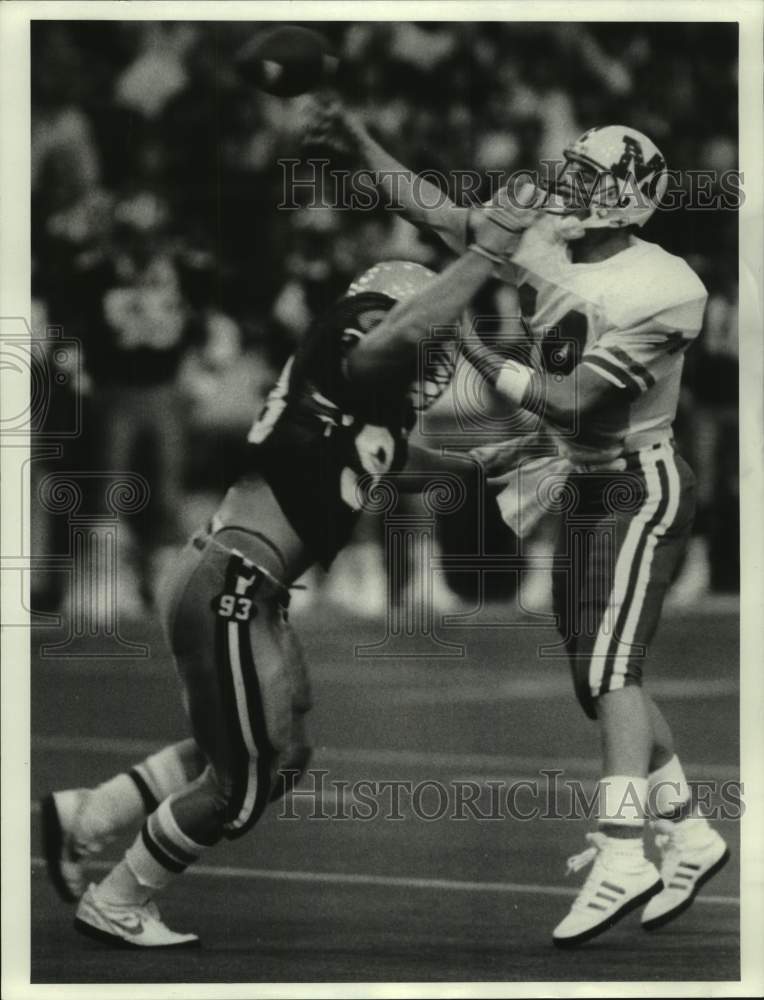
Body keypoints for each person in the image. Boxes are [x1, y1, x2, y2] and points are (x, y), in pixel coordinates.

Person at [41, 187, 539, 948]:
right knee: (242, 786)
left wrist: (494, 457)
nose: (436, 354)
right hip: (232, 583)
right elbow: (396, 337)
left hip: (243, 585)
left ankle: (91, 814)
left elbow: (388, 456)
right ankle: (118, 898)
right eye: (428, 335)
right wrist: (485, 251)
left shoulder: (362, 396)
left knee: (283, 751)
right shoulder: (356, 345)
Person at [310, 107, 730, 946]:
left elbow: (574, 398)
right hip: (579, 480)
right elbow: (432, 209)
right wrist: (361, 146)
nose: (566, 189)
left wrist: (468, 345)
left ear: (626, 200)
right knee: (594, 676)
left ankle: (622, 851)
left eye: (586, 180)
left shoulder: (668, 285)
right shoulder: (549, 243)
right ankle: (688, 828)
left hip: (639, 485)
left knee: (613, 669)